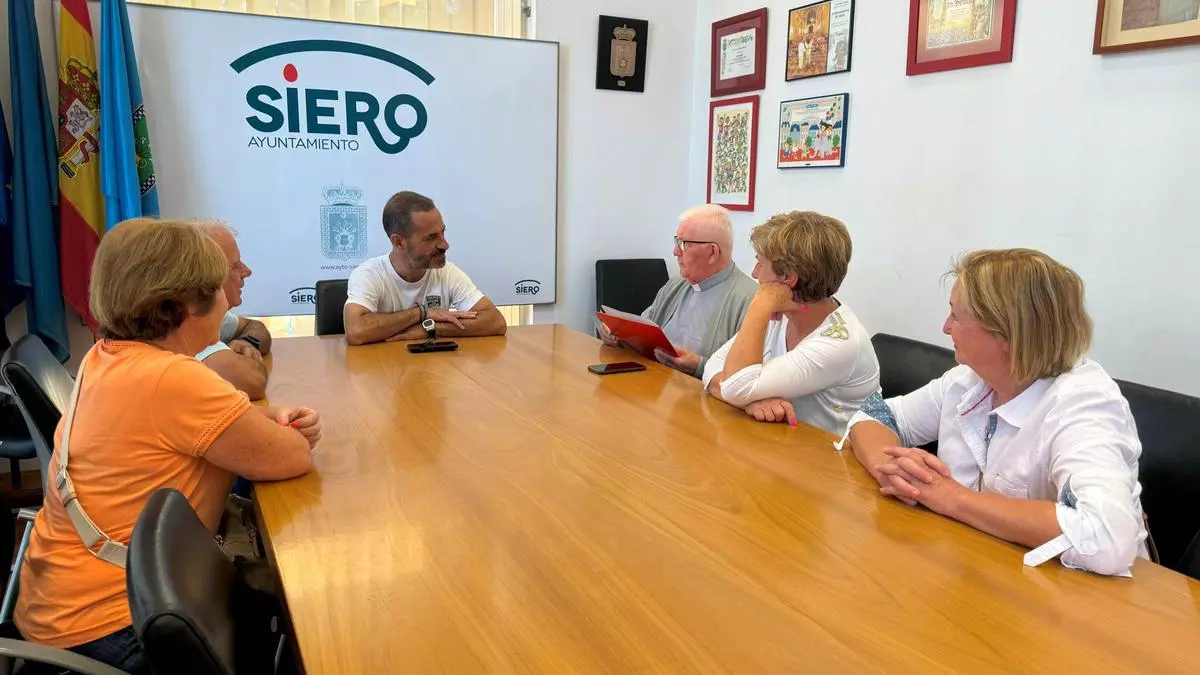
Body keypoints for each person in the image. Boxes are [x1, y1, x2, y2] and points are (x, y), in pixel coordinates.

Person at [14, 219, 321, 673]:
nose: (227, 299)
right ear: (186, 304)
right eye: (219, 287)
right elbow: (292, 456)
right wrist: (279, 431)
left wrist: (264, 420)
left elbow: (198, 427)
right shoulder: (175, 379)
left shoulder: (109, 357)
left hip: (56, 600)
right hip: (116, 623)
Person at [840, 249, 1147, 576]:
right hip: (979, 570)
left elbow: (1104, 538)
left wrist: (949, 497)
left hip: (1086, 603)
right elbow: (873, 415)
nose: (945, 328)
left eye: (956, 317)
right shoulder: (969, 379)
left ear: (1005, 333)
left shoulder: (1085, 404)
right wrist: (894, 470)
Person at [702, 211, 879, 434]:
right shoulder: (785, 313)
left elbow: (734, 386)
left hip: (834, 460)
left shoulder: (840, 342)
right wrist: (750, 401)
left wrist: (758, 307)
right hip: (784, 442)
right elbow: (713, 368)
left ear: (787, 278)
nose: (755, 273)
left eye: (760, 263)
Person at [599, 204, 757, 378]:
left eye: (683, 244)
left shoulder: (750, 300)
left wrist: (699, 366)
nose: (675, 251)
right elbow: (642, 331)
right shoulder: (675, 285)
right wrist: (617, 335)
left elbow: (746, 377)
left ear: (712, 252)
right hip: (653, 386)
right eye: (677, 241)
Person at [344, 191, 507, 345]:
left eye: (443, 232)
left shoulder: (447, 273)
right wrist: (421, 313)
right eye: (431, 237)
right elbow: (356, 331)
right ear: (399, 242)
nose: (445, 244)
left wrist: (427, 328)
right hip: (382, 367)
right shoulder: (369, 274)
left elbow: (495, 322)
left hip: (435, 369)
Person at [195, 220, 273, 400]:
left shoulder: (211, 315)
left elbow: (254, 326)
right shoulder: (184, 324)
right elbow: (252, 381)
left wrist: (247, 343)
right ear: (207, 275)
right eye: (235, 266)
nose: (247, 271)